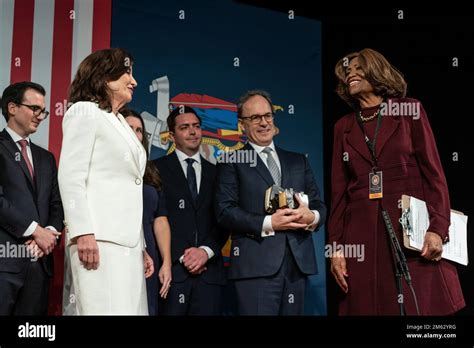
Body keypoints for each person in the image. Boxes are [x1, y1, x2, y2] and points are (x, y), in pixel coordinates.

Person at [329, 48, 465, 315]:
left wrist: (438, 228)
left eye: (358, 68)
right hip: (362, 236)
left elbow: (434, 174)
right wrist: (336, 249)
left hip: (411, 231)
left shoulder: (408, 111)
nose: (351, 74)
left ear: (377, 72)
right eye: (347, 72)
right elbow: (338, 193)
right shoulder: (342, 127)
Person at [58, 48, 154, 315]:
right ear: (104, 76)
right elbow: (70, 175)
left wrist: (141, 246)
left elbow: (129, 187)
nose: (134, 82)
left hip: (128, 245)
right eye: (128, 73)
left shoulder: (120, 121)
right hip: (99, 242)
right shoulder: (85, 112)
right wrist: (82, 232)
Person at [215, 90, 326, 315]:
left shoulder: (298, 161)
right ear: (241, 125)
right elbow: (225, 212)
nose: (264, 122)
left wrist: (311, 217)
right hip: (255, 267)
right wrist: (269, 223)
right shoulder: (231, 160)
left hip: (297, 265)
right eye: (255, 118)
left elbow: (318, 205)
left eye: (268, 115)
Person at [153, 106, 228, 315]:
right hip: (171, 273)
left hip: (210, 276)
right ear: (171, 135)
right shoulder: (154, 169)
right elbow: (154, 218)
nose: (193, 132)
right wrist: (184, 257)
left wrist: (205, 252)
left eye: (196, 126)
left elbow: (225, 220)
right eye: (184, 127)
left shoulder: (219, 172)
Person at [0, 81, 63, 315]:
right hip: (5, 263)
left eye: (43, 111)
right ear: (12, 108)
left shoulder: (46, 158)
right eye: (34, 108)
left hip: (40, 267)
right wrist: (36, 231)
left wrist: (47, 232)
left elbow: (57, 205)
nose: (40, 116)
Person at [123, 109, 172, 315]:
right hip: (120, 246)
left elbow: (160, 220)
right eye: (129, 128)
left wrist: (166, 263)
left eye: (139, 130)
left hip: (149, 251)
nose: (135, 134)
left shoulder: (150, 171)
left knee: (146, 308)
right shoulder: (105, 166)